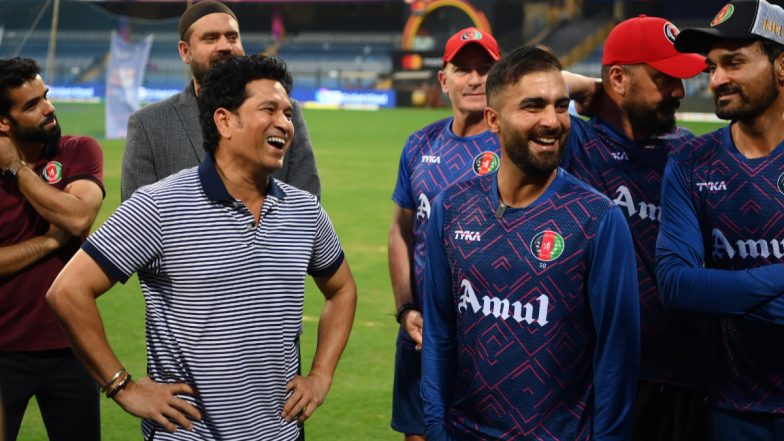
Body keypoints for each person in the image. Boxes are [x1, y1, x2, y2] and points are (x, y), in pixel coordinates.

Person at [46, 55, 356, 440]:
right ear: (224, 121)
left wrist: (322, 375)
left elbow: (342, 289)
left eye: (288, 113)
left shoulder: (304, 211)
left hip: (280, 433)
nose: (285, 123)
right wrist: (121, 387)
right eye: (269, 109)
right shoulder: (159, 206)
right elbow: (68, 291)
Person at [421, 45, 640, 441]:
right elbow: (439, 335)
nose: (552, 121)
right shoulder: (451, 208)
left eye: (561, 106)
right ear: (494, 120)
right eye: (533, 106)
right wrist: (437, 429)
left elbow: (617, 359)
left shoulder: (598, 220)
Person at [559, 15, 710, 441]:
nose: (679, 92)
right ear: (619, 79)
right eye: (665, 79)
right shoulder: (578, 144)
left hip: (690, 377)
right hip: (599, 376)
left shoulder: (691, 153)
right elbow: (519, 80)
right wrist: (590, 87)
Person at [656, 1, 784, 439]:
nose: (716, 80)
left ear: (781, 64)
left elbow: (701, 286)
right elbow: (677, 284)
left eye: (733, 63)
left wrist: (723, 291)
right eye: (712, 67)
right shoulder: (691, 161)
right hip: (732, 410)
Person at [388, 27, 501, 441]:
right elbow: (401, 232)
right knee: (419, 433)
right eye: (463, 69)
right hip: (422, 333)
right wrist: (405, 310)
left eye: (486, 69)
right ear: (443, 79)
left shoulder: (515, 145)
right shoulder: (419, 145)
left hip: (493, 338)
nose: (475, 79)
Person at [121, 0, 320, 201]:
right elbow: (137, 222)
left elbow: (307, 207)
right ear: (185, 51)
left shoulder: (284, 114)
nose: (225, 46)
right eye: (211, 38)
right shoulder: (149, 124)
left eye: (232, 37)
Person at [0, 58, 104, 441]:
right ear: (3, 122)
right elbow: (65, 228)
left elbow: (77, 220)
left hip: (71, 347)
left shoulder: (79, 150)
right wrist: (48, 240)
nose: (49, 108)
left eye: (45, 97)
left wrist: (16, 169)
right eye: (31, 105)